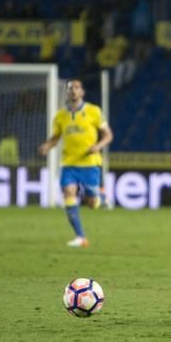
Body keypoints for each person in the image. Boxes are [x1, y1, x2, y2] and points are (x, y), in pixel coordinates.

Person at [38, 80, 113, 247]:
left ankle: (100, 197)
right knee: (68, 193)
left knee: (92, 203)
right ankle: (80, 237)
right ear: (66, 93)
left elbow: (108, 135)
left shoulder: (94, 111)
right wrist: (46, 146)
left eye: (77, 88)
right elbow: (55, 138)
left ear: (82, 92)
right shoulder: (60, 116)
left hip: (89, 163)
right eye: (70, 88)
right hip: (69, 163)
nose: (73, 91)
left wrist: (98, 146)